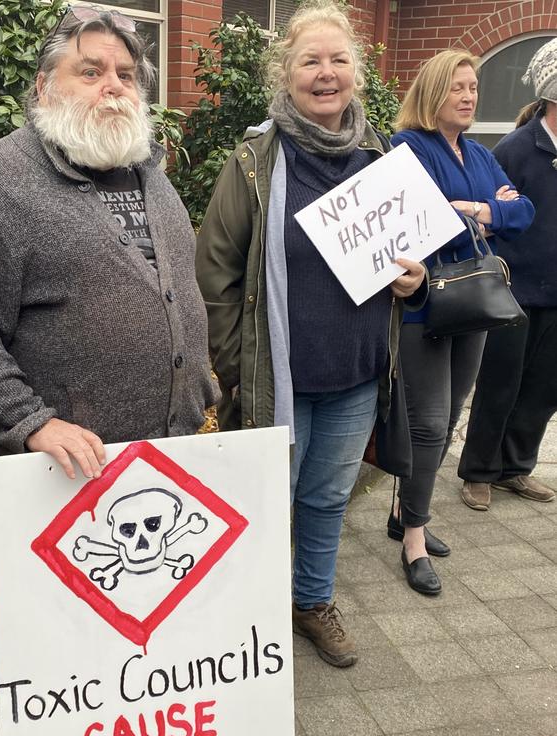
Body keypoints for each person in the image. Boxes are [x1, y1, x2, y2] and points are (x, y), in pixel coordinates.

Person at [195, 0, 426, 668]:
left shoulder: (380, 154)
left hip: (357, 371)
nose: (325, 74)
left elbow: (412, 254)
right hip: (279, 376)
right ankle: (251, 622)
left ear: (357, 70)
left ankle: (311, 600)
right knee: (264, 504)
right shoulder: (255, 160)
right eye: (309, 61)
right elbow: (214, 269)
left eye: (338, 59)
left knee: (326, 499)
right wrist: (236, 364)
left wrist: (413, 279)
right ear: (285, 74)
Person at [0, 7, 218, 480]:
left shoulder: (150, 177)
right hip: (65, 474)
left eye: (125, 75)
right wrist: (27, 420)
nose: (114, 85)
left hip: (170, 451)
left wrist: (198, 387)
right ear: (44, 87)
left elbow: (178, 288)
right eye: (90, 72)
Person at [389, 51, 534, 594]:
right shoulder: (409, 146)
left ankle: (403, 510)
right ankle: (414, 539)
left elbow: (524, 214)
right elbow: (423, 220)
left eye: (473, 87)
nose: (470, 96)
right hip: (425, 303)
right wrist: (484, 213)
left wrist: (475, 210)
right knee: (426, 425)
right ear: (432, 92)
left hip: (474, 303)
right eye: (458, 87)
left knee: (449, 416)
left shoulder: (479, 152)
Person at [459, 38, 557, 511]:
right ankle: (479, 471)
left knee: (544, 387)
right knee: (500, 383)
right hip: (514, 290)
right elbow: (498, 217)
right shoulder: (519, 148)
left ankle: (516, 468)